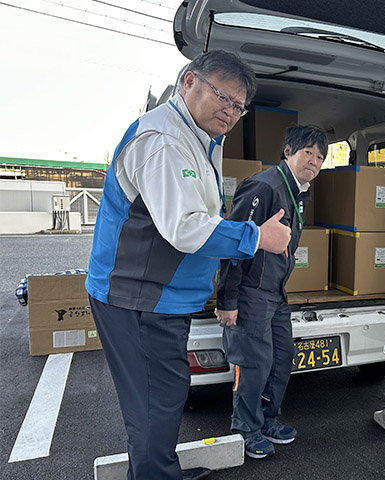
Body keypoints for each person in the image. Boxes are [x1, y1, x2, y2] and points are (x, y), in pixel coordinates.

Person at [86, 50, 292, 480]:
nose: (230, 111)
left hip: (163, 298)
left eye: (238, 105)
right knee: (152, 403)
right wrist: (257, 237)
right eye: (222, 96)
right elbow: (186, 227)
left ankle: (161, 472)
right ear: (188, 83)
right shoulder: (163, 140)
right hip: (137, 297)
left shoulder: (200, 138)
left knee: (164, 395)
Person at [215, 125, 328, 459]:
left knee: (282, 358)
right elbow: (235, 243)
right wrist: (227, 299)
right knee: (253, 364)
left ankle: (266, 420)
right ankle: (245, 429)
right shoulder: (264, 187)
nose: (314, 161)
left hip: (275, 293)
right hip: (250, 291)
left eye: (320, 156)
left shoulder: (295, 191)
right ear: (288, 151)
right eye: (307, 152)